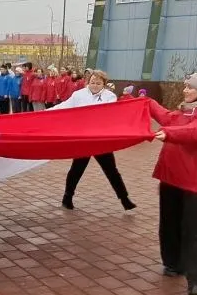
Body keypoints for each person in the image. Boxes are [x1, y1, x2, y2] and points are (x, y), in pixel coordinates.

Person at [147, 72, 197, 295]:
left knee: (193, 230)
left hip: (196, 181)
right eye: (186, 86)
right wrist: (146, 103)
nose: (185, 90)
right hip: (172, 176)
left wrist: (169, 134)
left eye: (190, 87)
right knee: (169, 222)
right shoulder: (185, 110)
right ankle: (173, 264)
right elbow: (166, 116)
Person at [52, 69, 136, 212]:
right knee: (77, 169)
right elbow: (64, 106)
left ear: (104, 84)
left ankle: (125, 199)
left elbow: (110, 113)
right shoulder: (78, 95)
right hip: (83, 138)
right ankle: (67, 197)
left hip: (100, 139)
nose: (95, 85)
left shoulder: (109, 96)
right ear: (87, 82)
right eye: (92, 82)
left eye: (98, 83)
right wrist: (46, 113)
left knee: (111, 170)